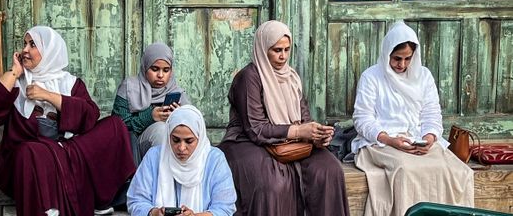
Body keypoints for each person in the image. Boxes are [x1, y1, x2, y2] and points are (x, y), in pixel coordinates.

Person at [0, 26, 135, 216]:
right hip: (35, 157)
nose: (25, 50)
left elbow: (90, 116)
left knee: (114, 126)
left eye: (32, 44)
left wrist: (48, 96)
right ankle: (47, 207)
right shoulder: (17, 83)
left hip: (67, 151)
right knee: (28, 151)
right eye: (24, 44)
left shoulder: (69, 82)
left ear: (49, 51)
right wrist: (14, 71)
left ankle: (102, 199)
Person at [218, 20, 350, 216]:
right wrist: (298, 131)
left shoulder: (291, 77)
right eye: (276, 50)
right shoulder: (248, 78)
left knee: (330, 170)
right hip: (247, 141)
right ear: (263, 49)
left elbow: (304, 118)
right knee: (273, 183)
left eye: (287, 50)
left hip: (292, 139)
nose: (283, 56)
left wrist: (317, 135)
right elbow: (256, 129)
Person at [351, 21, 474, 216]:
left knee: (453, 171)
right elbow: (362, 118)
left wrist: (429, 139)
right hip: (382, 142)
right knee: (406, 169)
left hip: (418, 139)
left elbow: (432, 114)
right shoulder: (372, 77)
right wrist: (390, 140)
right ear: (386, 54)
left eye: (408, 59)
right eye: (396, 58)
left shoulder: (423, 76)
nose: (402, 65)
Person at [127, 105, 237, 216]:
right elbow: (136, 201)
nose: (181, 148)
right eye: (175, 140)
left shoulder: (215, 159)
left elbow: (224, 208)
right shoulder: (155, 156)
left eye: (189, 141)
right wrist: (155, 213)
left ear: (200, 137)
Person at [112, 42, 191, 164]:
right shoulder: (129, 87)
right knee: (160, 130)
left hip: (177, 148)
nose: (160, 75)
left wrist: (178, 116)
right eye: (154, 69)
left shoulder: (176, 92)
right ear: (145, 67)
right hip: (135, 149)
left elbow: (193, 126)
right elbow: (117, 126)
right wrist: (150, 116)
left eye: (166, 70)